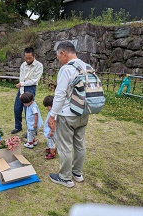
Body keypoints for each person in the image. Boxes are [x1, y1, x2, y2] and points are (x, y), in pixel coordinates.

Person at [48, 41, 89, 188]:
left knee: (65, 145)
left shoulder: (66, 69)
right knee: (80, 143)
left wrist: (52, 115)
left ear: (63, 53)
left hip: (68, 113)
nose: (59, 60)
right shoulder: (86, 66)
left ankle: (65, 178)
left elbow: (59, 95)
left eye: (59, 56)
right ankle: (77, 173)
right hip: (84, 112)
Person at [11, 47, 43, 134]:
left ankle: (32, 130)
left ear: (34, 56)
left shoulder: (39, 66)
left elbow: (34, 80)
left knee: (28, 109)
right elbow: (21, 79)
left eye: (30, 58)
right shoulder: (23, 65)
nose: (28, 60)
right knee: (17, 108)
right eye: (26, 58)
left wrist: (22, 84)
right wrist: (21, 92)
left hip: (31, 88)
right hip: (22, 87)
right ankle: (18, 127)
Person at [43, 95, 57, 159]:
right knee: (50, 141)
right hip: (49, 130)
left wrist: (52, 131)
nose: (47, 108)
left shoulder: (54, 114)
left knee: (51, 142)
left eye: (48, 106)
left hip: (51, 131)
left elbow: (54, 123)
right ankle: (51, 149)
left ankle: (52, 153)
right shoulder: (51, 112)